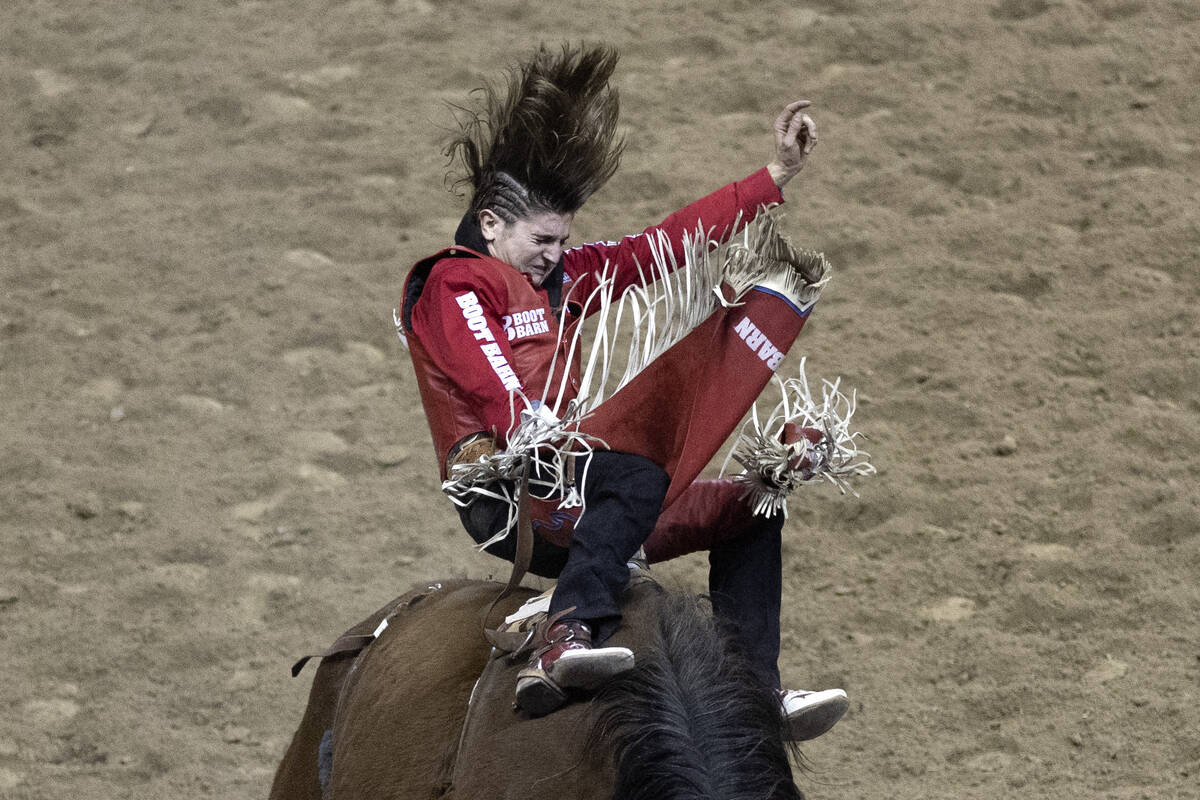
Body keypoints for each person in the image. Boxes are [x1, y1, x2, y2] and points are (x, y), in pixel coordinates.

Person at [397, 44, 849, 740]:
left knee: (752, 508)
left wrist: (774, 176)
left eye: (563, 239)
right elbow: (486, 370)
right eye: (542, 238)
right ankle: (564, 632)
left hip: (582, 484)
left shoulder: (563, 279)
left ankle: (753, 692)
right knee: (636, 475)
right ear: (491, 224)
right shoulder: (452, 281)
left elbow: (665, 245)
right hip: (513, 491)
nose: (555, 253)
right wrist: (535, 430)